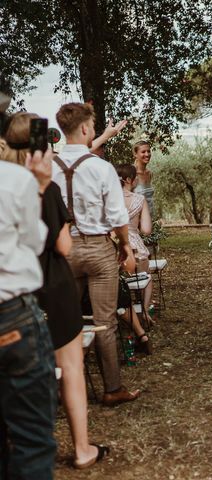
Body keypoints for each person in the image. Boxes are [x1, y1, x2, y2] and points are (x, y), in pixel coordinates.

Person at [1, 112, 109, 469]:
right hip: (50, 285)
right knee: (71, 368)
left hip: (14, 297)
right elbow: (62, 245)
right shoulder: (40, 188)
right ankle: (81, 448)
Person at [52, 102, 140, 407]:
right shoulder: (101, 168)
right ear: (86, 129)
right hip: (98, 248)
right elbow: (118, 217)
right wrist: (126, 246)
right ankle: (112, 388)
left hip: (62, 251)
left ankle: (64, 389)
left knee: (64, 321)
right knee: (105, 322)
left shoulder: (48, 166)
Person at [0, 122, 57, 478]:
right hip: (10, 317)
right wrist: (38, 185)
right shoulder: (14, 180)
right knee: (32, 440)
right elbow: (36, 244)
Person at [116, 164, 153, 354]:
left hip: (116, 247)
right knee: (145, 279)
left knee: (120, 287)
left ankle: (128, 318)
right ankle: (144, 311)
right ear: (130, 180)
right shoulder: (140, 199)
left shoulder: (110, 199)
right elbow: (146, 230)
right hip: (136, 248)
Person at [133, 140, 155, 218]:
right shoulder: (131, 174)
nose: (147, 154)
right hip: (136, 219)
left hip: (149, 219)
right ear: (135, 154)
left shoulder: (150, 173)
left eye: (148, 151)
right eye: (143, 152)